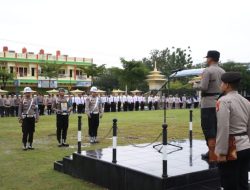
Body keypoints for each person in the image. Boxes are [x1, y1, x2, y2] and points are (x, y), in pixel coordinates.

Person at [215, 72, 250, 190]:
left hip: (232, 147)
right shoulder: (246, 101)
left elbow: (223, 127)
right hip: (246, 145)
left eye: (222, 83)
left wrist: (221, 152)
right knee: (243, 183)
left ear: (227, 85)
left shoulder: (224, 101)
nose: (220, 85)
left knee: (229, 183)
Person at [193, 50, 225, 160]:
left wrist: (195, 85)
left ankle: (212, 154)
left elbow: (204, 87)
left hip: (208, 103)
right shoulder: (222, 71)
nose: (207, 60)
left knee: (208, 128)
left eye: (207, 58)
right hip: (220, 102)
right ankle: (216, 151)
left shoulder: (207, 71)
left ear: (210, 58)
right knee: (218, 128)